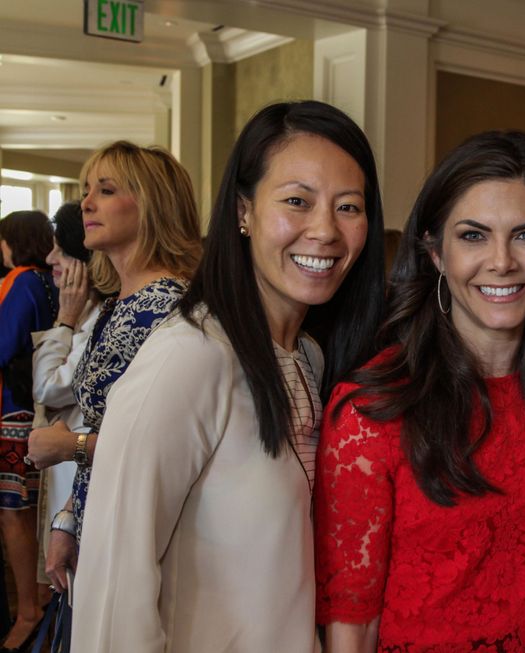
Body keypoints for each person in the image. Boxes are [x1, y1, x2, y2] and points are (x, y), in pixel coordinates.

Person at [71, 101, 385, 652]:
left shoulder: (308, 358)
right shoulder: (190, 355)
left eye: (349, 207)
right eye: (297, 201)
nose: (325, 230)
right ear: (244, 210)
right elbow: (115, 586)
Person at [315, 130, 525, 651]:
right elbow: (351, 622)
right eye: (473, 235)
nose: (502, 261)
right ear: (436, 253)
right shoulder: (374, 409)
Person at [28, 141, 202, 605]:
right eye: (87, 190)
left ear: (152, 206)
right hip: (100, 513)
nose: (86, 203)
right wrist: (67, 518)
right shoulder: (117, 304)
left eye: (105, 190)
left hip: (146, 532)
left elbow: (170, 446)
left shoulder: (169, 306)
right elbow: (110, 425)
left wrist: (67, 444)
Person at [28, 202, 104, 589]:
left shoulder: (97, 318)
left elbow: (46, 386)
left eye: (60, 249)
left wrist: (64, 320)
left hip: (82, 468)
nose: (49, 258)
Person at [0, 210, 56, 652]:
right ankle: (37, 598)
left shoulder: (22, 280)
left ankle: (28, 611)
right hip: (37, 408)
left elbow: (4, 343)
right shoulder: (50, 279)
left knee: (13, 515)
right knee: (35, 512)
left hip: (13, 410)